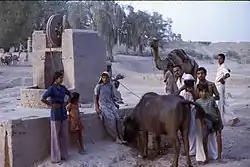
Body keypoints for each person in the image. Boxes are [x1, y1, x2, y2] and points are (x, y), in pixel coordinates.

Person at [41, 71, 71, 164]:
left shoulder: (63, 88)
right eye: (60, 78)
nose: (62, 80)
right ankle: (55, 157)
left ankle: (64, 155)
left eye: (62, 78)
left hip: (63, 113)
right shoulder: (51, 89)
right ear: (56, 78)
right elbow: (43, 98)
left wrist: (68, 103)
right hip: (55, 113)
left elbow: (71, 95)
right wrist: (52, 105)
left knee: (64, 135)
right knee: (55, 136)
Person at [195, 67, 220, 161]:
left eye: (202, 73)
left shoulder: (211, 84)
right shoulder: (196, 87)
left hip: (211, 112)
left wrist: (209, 98)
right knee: (202, 137)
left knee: (213, 137)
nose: (200, 75)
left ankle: (215, 155)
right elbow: (196, 99)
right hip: (201, 114)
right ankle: (203, 156)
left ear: (205, 74)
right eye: (198, 73)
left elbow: (218, 96)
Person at [94, 71, 126, 144]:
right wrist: (97, 108)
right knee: (111, 119)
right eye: (103, 78)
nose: (104, 79)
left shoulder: (110, 86)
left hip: (110, 104)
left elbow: (111, 97)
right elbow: (96, 98)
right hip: (103, 105)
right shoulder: (99, 86)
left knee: (118, 119)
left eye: (106, 78)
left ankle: (121, 137)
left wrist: (115, 103)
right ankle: (115, 137)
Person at [196, 83, 224, 163]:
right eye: (201, 92)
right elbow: (198, 115)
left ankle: (219, 157)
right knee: (204, 139)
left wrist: (220, 120)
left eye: (205, 91)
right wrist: (202, 124)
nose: (203, 93)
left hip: (215, 120)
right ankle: (206, 157)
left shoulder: (211, 99)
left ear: (208, 92)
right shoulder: (197, 102)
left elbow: (217, 110)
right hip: (206, 121)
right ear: (199, 92)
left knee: (219, 137)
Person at [215, 53, 240, 126]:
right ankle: (234, 118)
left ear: (223, 59)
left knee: (220, 102)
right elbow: (228, 70)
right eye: (218, 59)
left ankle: (220, 119)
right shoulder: (220, 67)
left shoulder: (223, 67)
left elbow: (227, 74)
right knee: (223, 103)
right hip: (218, 86)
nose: (219, 60)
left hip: (220, 86)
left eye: (220, 59)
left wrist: (223, 79)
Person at [179, 74, 197, 157]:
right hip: (184, 114)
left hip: (192, 112)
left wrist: (192, 92)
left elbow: (196, 100)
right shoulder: (183, 92)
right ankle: (188, 149)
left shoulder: (195, 90)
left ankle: (192, 151)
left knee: (192, 132)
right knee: (186, 132)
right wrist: (181, 89)